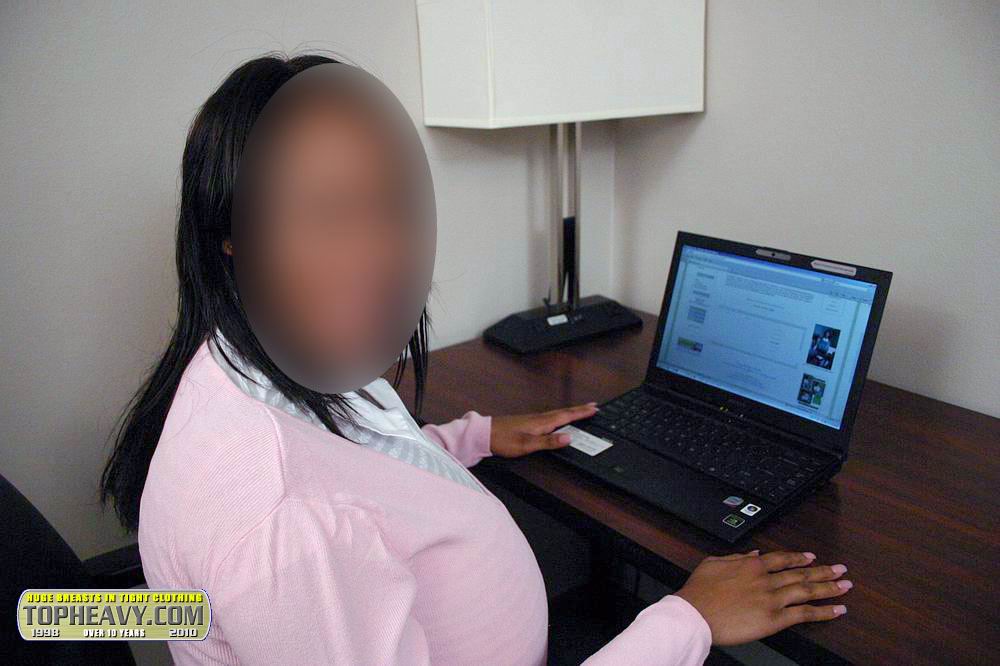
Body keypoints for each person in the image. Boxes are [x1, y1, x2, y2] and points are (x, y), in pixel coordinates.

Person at [100, 53, 851, 666]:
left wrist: (474, 437)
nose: (380, 253)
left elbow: (356, 467)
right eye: (326, 214)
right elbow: (316, 514)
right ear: (231, 231)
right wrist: (688, 620)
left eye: (394, 205)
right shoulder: (288, 530)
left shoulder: (250, 360)